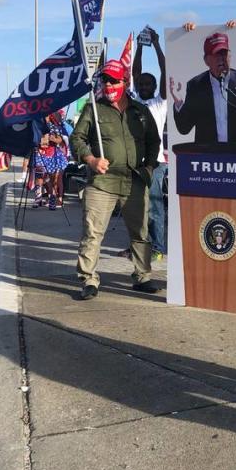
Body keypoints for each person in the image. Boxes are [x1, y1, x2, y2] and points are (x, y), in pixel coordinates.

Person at [71, 59, 162, 299]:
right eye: (105, 80)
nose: (109, 84)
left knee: (140, 233)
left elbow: (154, 141)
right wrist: (91, 160)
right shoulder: (93, 108)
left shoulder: (140, 111)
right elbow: (77, 139)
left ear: (125, 81)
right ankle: (88, 279)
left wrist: (150, 167)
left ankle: (142, 277)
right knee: (93, 233)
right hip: (103, 183)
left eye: (114, 80)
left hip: (135, 181)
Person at [170, 30, 236, 147]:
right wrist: (179, 103)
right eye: (216, 54)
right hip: (207, 158)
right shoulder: (195, 86)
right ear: (206, 60)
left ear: (230, 55)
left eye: (224, 53)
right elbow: (184, 128)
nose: (221, 58)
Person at [131, 26, 168, 259]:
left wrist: (155, 44)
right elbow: (135, 73)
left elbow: (165, 70)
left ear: (154, 87)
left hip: (155, 163)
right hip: (135, 161)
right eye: (141, 84)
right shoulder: (134, 101)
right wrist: (139, 48)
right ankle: (138, 245)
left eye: (148, 85)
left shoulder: (159, 102)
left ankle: (158, 247)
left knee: (154, 207)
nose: (143, 87)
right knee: (135, 208)